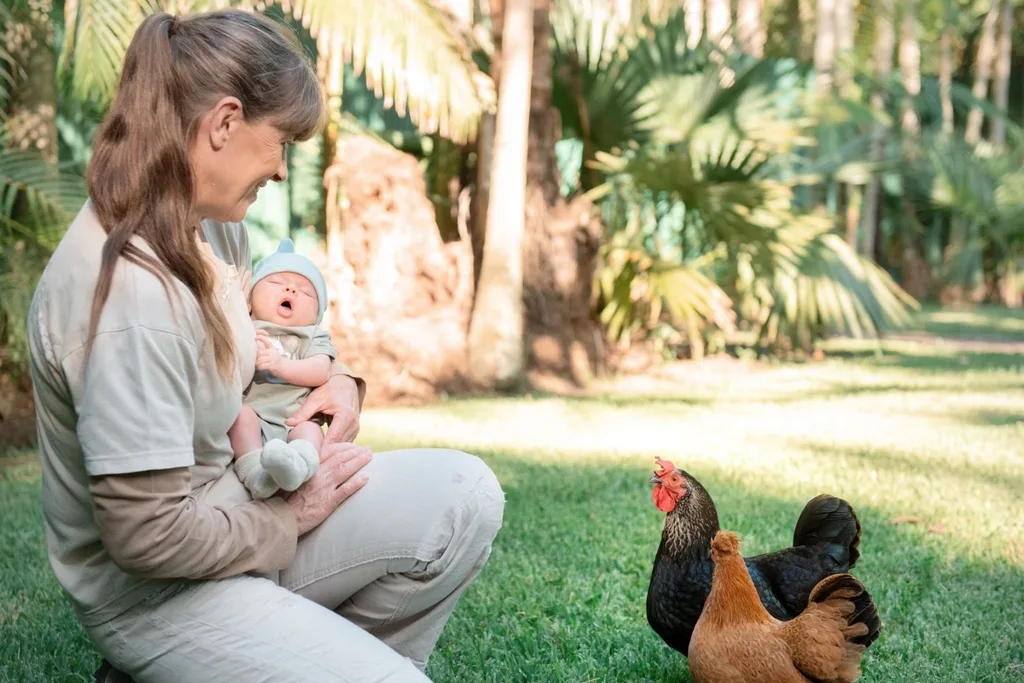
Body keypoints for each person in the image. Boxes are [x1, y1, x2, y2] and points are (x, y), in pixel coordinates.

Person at [26, 9, 505, 683]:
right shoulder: (128, 298)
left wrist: (336, 380)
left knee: (467, 494)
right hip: (157, 594)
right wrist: (288, 519)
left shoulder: (211, 229)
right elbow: (144, 537)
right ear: (224, 123)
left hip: (241, 509)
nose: (281, 169)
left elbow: (258, 356)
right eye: (280, 142)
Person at [230, 238, 336, 499]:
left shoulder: (312, 336)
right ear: (251, 302)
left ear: (317, 314)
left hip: (294, 418)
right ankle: (256, 473)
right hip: (255, 412)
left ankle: (298, 465)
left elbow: (321, 370)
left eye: (305, 291)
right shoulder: (246, 326)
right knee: (240, 417)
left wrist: (282, 366)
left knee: (310, 431)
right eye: (276, 283)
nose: (290, 290)